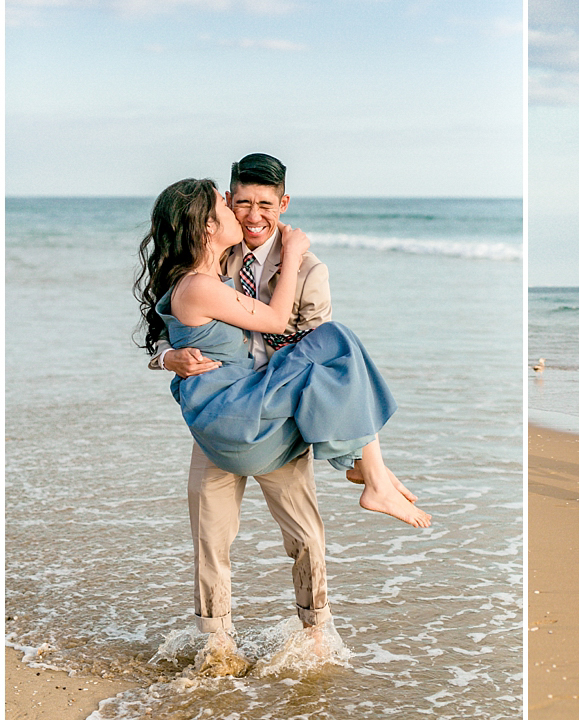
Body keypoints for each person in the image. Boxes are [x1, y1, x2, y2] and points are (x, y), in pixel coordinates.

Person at [135, 173, 428, 671]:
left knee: (305, 534)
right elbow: (168, 333)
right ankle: (218, 643)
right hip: (233, 414)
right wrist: (168, 359)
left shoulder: (308, 270)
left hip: (267, 410)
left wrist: (293, 258)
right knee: (211, 534)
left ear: (283, 204)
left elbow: (312, 351)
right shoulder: (208, 269)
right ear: (216, 217)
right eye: (237, 205)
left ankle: (316, 632)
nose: (248, 215)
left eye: (263, 204)